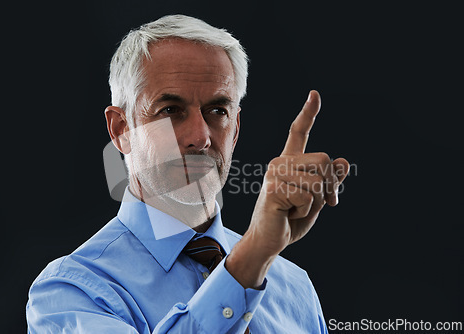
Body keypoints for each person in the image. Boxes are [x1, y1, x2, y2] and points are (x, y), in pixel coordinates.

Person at [26, 14, 350, 333]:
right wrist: (251, 258)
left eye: (218, 111)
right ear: (121, 129)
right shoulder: (69, 294)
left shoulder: (296, 289)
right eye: (170, 110)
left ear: (235, 131)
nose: (201, 136)